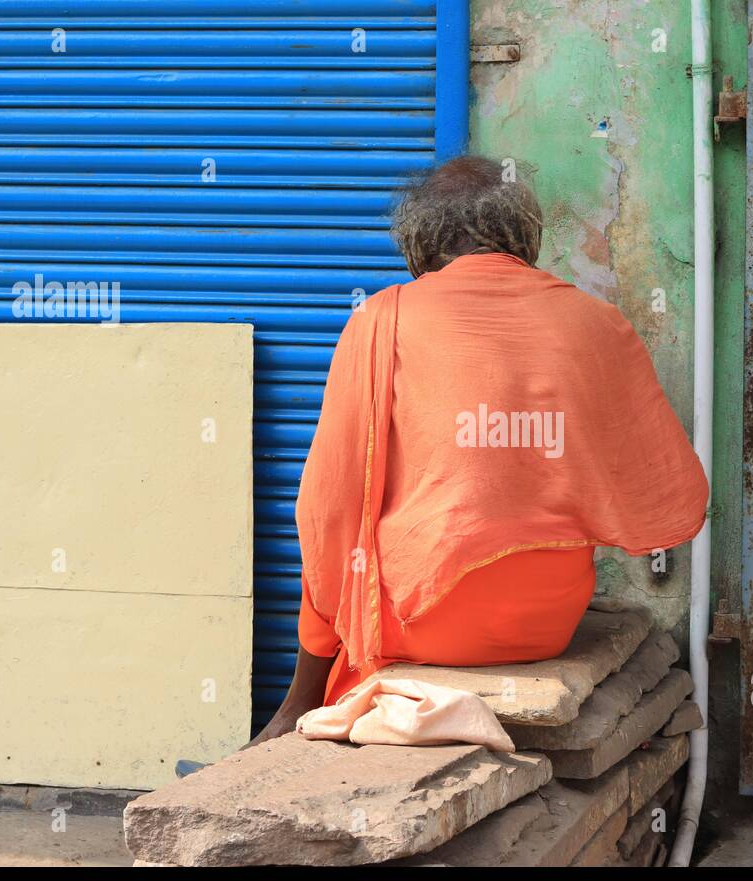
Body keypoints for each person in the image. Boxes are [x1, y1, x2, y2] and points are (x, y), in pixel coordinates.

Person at [249, 155, 708, 745]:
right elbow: (670, 489)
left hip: (429, 624)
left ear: (419, 238)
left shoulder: (380, 317)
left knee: (333, 535)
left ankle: (296, 706)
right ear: (524, 230)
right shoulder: (597, 321)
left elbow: (328, 503)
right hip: (548, 620)